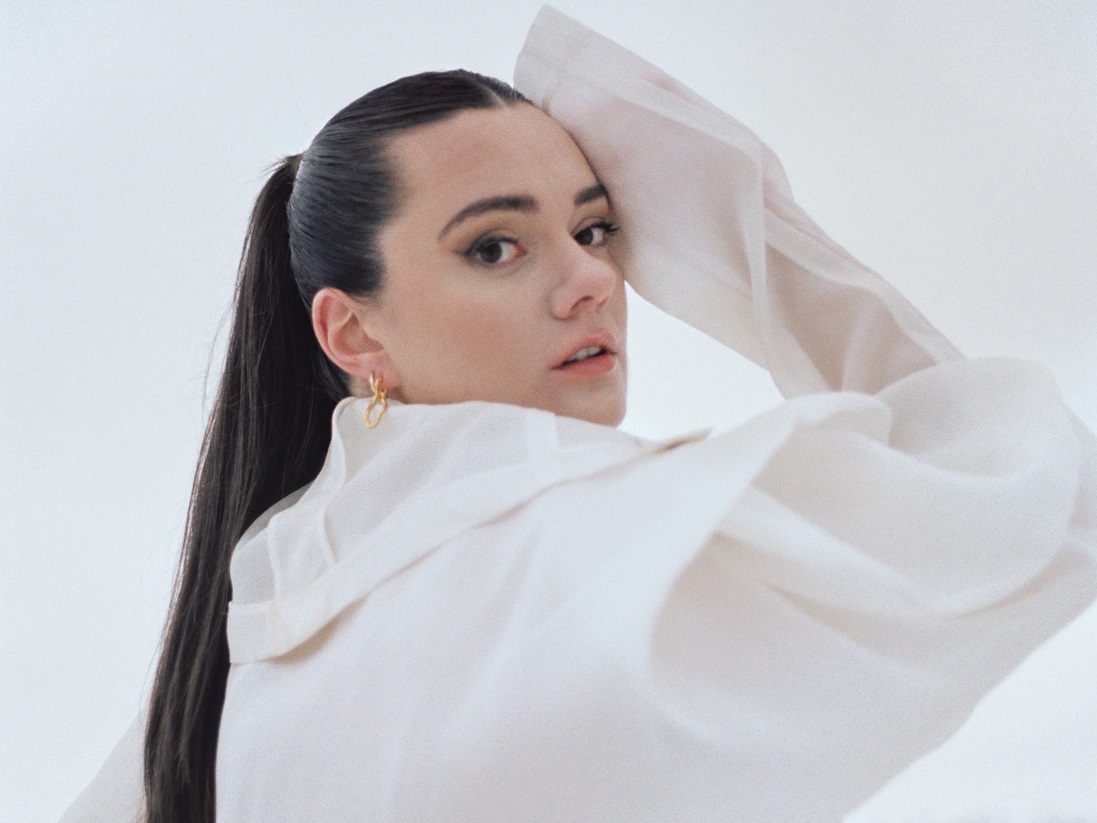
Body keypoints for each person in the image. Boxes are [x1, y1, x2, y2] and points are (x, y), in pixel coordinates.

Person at [60, 7, 1097, 823]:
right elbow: (1030, 497)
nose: (594, 280)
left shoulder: (237, 651)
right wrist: (741, 224)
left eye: (597, 229)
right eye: (494, 247)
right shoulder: (579, 541)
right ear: (352, 332)